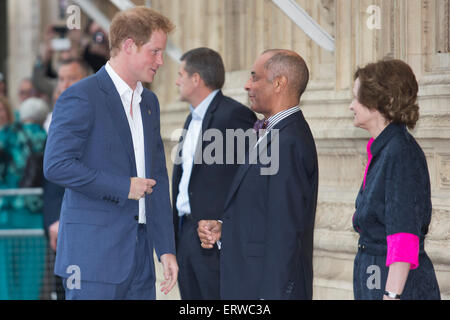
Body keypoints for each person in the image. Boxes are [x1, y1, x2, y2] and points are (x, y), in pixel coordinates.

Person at [43, 7, 178, 300]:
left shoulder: (150, 103)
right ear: (129, 45)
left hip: (141, 259)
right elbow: (56, 165)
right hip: (92, 258)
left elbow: (157, 177)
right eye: (155, 52)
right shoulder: (81, 96)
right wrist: (123, 186)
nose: (161, 61)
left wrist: (166, 247)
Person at [198, 49, 319, 300]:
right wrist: (224, 230)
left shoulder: (289, 141)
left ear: (279, 83)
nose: (246, 85)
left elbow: (285, 230)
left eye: (255, 77)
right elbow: (263, 211)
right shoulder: (272, 132)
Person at [349, 59, 441, 300]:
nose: (351, 106)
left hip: (398, 285)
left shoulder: (400, 152)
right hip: (375, 273)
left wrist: (391, 295)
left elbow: (404, 235)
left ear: (380, 103)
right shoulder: (386, 149)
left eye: (357, 99)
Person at [172, 47, 256, 300]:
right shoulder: (190, 119)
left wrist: (224, 227)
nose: (176, 81)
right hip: (185, 232)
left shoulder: (235, 115)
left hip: (214, 239)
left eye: (181, 74)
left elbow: (249, 181)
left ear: (196, 79)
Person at [42, 58, 90, 300]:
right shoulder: (52, 121)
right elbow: (51, 178)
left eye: (71, 78)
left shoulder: (93, 117)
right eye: (60, 79)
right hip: (60, 226)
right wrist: (54, 219)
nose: (63, 85)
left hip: (87, 225)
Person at [0, 97, 49, 300]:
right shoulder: (47, 137)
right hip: (35, 215)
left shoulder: (9, 137)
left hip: (8, 215)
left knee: (7, 278)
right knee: (31, 276)